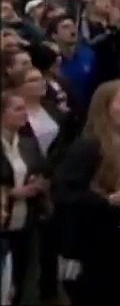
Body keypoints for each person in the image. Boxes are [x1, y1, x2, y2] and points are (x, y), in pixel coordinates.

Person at [53, 79, 120, 306]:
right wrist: (108, 201)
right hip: (98, 245)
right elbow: (65, 193)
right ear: (105, 108)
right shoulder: (88, 146)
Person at [0, 90, 49, 306]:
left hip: (26, 222)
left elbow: (43, 171)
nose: (24, 113)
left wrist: (40, 184)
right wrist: (12, 193)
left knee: (21, 279)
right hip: (3, 223)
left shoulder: (28, 143)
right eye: (17, 109)